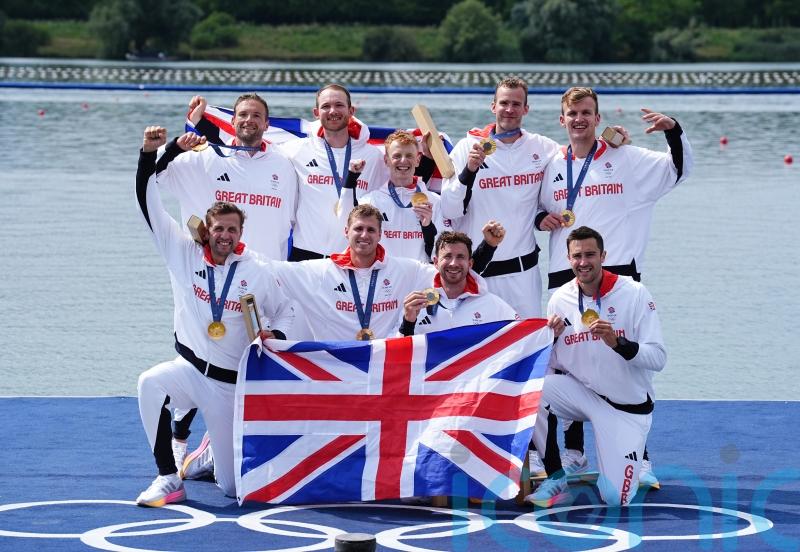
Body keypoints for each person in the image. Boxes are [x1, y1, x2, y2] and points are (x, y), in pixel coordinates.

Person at [535, 86, 693, 485]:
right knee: (569, 364)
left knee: (624, 364)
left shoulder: (627, 158)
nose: (580, 119)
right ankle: (572, 455)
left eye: (587, 112)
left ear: (598, 117)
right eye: (573, 113)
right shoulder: (554, 162)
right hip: (564, 276)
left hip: (617, 274)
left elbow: (679, 170)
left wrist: (674, 130)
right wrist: (542, 220)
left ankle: (639, 458)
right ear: (562, 120)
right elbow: (536, 208)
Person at [134, 126, 295, 507]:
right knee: (149, 383)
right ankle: (168, 477)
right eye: (218, 228)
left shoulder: (255, 268)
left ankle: (207, 455)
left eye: (232, 230)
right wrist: (153, 152)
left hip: (228, 387)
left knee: (233, 490)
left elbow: (286, 310)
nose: (224, 235)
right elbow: (146, 199)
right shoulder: (183, 250)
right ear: (206, 230)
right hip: (189, 371)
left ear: (241, 232)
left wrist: (275, 333)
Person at [525, 226, 665, 508]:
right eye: (577, 256)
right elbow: (554, 364)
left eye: (590, 254)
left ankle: (627, 461)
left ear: (603, 255)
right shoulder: (560, 299)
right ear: (568, 258)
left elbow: (658, 358)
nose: (583, 262)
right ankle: (555, 475)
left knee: (615, 499)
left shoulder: (635, 293)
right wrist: (549, 340)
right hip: (584, 397)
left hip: (626, 408)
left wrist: (618, 343)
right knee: (532, 390)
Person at [440, 77, 559, 319]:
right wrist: (469, 170)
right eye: (504, 103)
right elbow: (450, 209)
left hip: (523, 275)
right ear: (493, 106)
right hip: (478, 273)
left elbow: (579, 159)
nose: (509, 110)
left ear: (526, 109)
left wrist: (612, 143)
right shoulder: (468, 147)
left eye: (517, 104)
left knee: (526, 347)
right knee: (478, 352)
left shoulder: (542, 147)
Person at [160, 93, 298, 261]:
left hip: (266, 272)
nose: (249, 120)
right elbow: (155, 171)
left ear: (266, 124)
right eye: (243, 114)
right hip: (216, 270)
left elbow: (294, 220)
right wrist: (175, 147)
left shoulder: (285, 164)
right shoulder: (206, 158)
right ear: (232, 121)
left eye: (256, 115)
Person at [270, 204, 436, 341]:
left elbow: (447, 274)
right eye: (358, 228)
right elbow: (266, 270)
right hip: (335, 370)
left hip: (382, 368)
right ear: (346, 231)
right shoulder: (320, 271)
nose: (364, 235)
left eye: (371, 230)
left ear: (380, 235)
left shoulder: (404, 270)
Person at [339, 130, 443, 263]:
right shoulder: (372, 201)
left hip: (419, 278)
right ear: (386, 160)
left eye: (409, 155)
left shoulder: (434, 201)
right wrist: (351, 178)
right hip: (383, 278)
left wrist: (428, 226)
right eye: (397, 156)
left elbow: (441, 251)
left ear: (418, 160)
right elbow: (344, 221)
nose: (403, 161)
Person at [399, 230, 516, 336]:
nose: (453, 263)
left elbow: (521, 340)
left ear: (470, 263)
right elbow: (401, 351)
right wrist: (408, 323)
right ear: (435, 262)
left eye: (460, 257)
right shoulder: (416, 305)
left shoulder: (494, 305)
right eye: (447, 256)